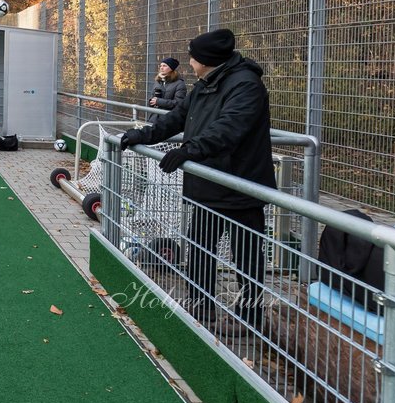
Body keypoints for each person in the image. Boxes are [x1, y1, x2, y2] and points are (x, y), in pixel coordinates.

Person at [118, 28, 276, 332]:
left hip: (240, 186)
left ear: (207, 59)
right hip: (206, 186)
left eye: (193, 57)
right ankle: (202, 308)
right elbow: (177, 118)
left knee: (246, 256)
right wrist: (143, 134)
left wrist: (190, 149)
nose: (189, 62)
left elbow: (230, 128)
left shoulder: (246, 85)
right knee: (201, 250)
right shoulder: (205, 84)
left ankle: (251, 318)